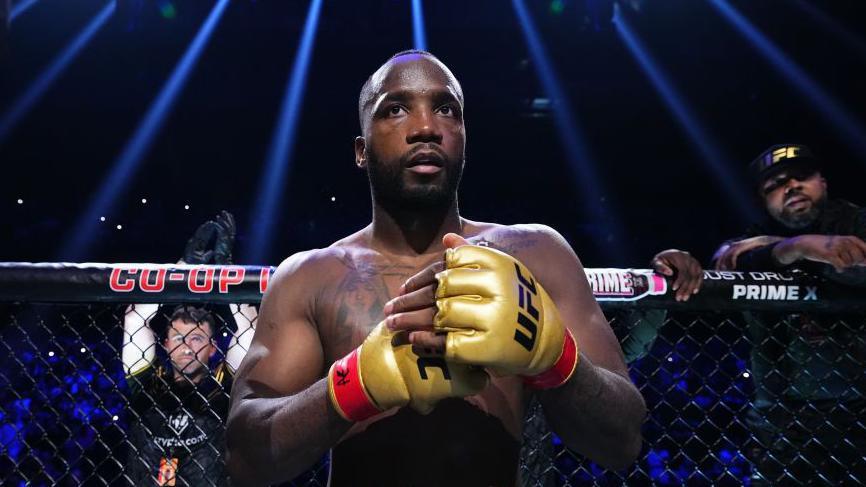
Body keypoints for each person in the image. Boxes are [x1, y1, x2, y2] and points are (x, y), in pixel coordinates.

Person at [225, 50, 646, 486]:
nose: (426, 128)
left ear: (463, 137)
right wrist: (354, 386)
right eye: (395, 109)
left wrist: (553, 355)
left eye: (446, 109)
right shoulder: (311, 277)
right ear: (361, 151)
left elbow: (622, 441)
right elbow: (245, 458)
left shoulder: (536, 255)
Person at [663, 144, 866, 485]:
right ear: (763, 201)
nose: (791, 186)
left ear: (823, 182)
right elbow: (725, 261)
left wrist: (790, 247)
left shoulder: (854, 220)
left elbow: (854, 258)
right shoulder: (749, 239)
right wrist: (798, 246)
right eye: (775, 185)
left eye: (801, 176)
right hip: (786, 423)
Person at [123, 211, 258, 486]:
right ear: (165, 344)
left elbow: (249, 331)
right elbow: (134, 319)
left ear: (212, 348)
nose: (187, 346)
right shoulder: (148, 384)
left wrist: (226, 271)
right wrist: (183, 267)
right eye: (179, 338)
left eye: (196, 339)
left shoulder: (223, 388)